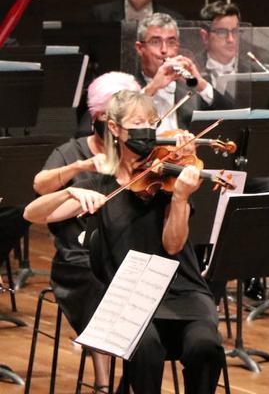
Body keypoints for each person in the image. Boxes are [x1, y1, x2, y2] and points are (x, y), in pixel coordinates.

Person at [23, 90, 225, 393]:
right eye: (137, 122)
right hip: (132, 300)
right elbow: (32, 213)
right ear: (115, 129)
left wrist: (181, 198)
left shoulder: (168, 181)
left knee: (205, 347)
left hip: (183, 292)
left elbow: (173, 246)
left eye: (151, 122)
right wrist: (69, 192)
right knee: (145, 350)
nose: (147, 130)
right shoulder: (101, 187)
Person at [30, 71, 142, 389]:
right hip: (77, 258)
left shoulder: (137, 155)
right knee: (101, 281)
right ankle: (103, 383)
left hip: (127, 250)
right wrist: (81, 168)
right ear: (98, 117)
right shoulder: (73, 151)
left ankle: (135, 377)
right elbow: (40, 186)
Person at [133, 13, 232, 132]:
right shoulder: (127, 85)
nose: (164, 50)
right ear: (140, 48)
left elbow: (231, 118)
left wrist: (200, 84)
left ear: (177, 47)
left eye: (171, 42)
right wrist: (152, 88)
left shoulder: (191, 91)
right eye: (156, 42)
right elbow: (123, 120)